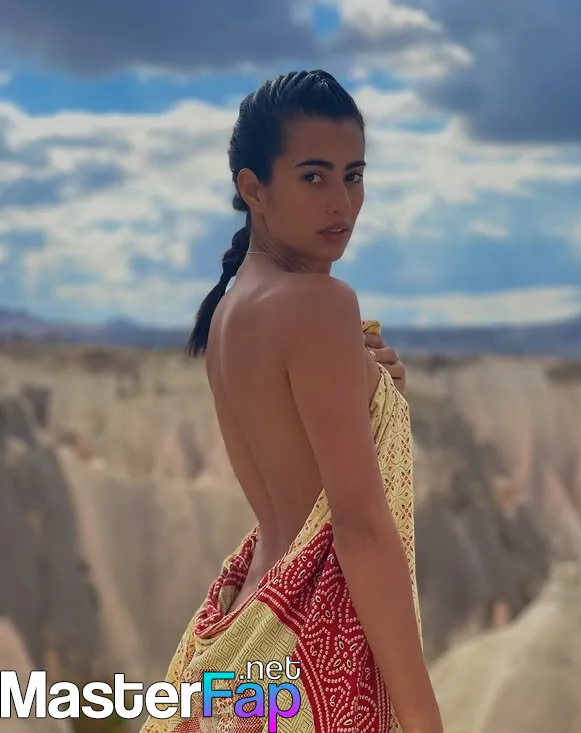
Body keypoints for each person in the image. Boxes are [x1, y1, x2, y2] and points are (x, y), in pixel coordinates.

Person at [139, 70, 442, 733]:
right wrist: (422, 717)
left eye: (353, 175)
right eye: (313, 176)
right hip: (314, 651)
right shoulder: (320, 304)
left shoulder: (230, 312)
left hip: (244, 634)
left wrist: (375, 392)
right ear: (254, 188)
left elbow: (297, 466)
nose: (341, 202)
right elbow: (360, 527)